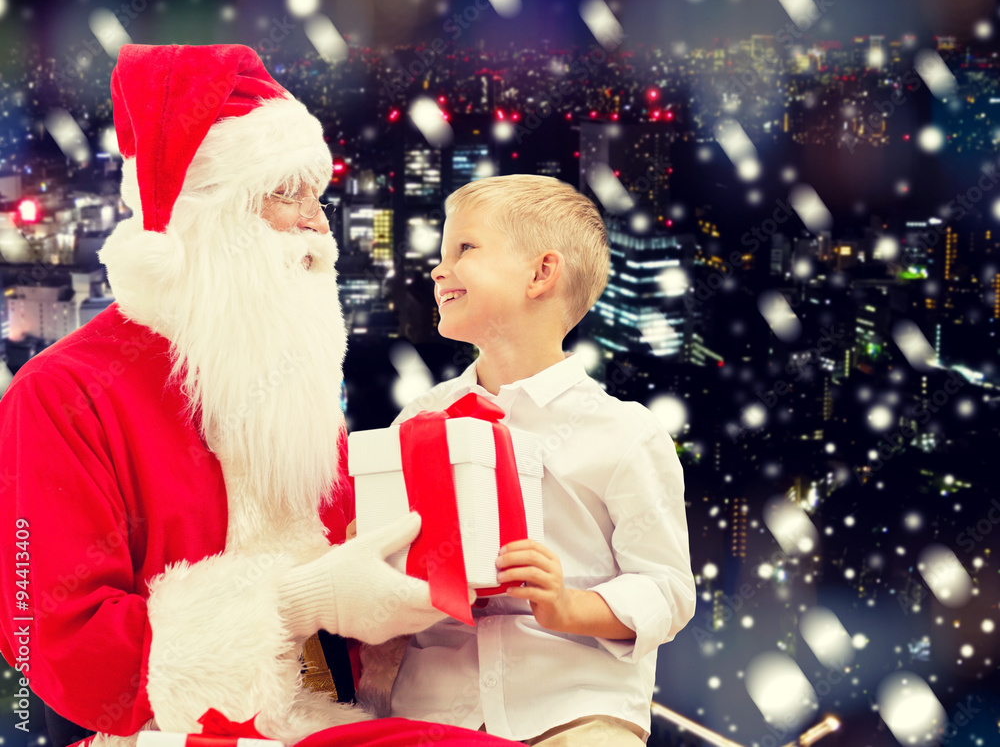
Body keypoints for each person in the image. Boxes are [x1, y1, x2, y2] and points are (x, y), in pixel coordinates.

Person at [0, 44, 519, 747]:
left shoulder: (290, 382)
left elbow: (351, 575)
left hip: (341, 715)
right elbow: (58, 651)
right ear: (207, 213)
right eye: (286, 193)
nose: (317, 224)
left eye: (318, 194)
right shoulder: (59, 395)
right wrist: (299, 602)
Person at [384, 175, 697, 745]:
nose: (438, 268)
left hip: (574, 711)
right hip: (434, 711)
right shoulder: (419, 423)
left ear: (540, 273)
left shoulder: (624, 433)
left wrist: (569, 606)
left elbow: (667, 588)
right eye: (441, 253)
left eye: (465, 249)